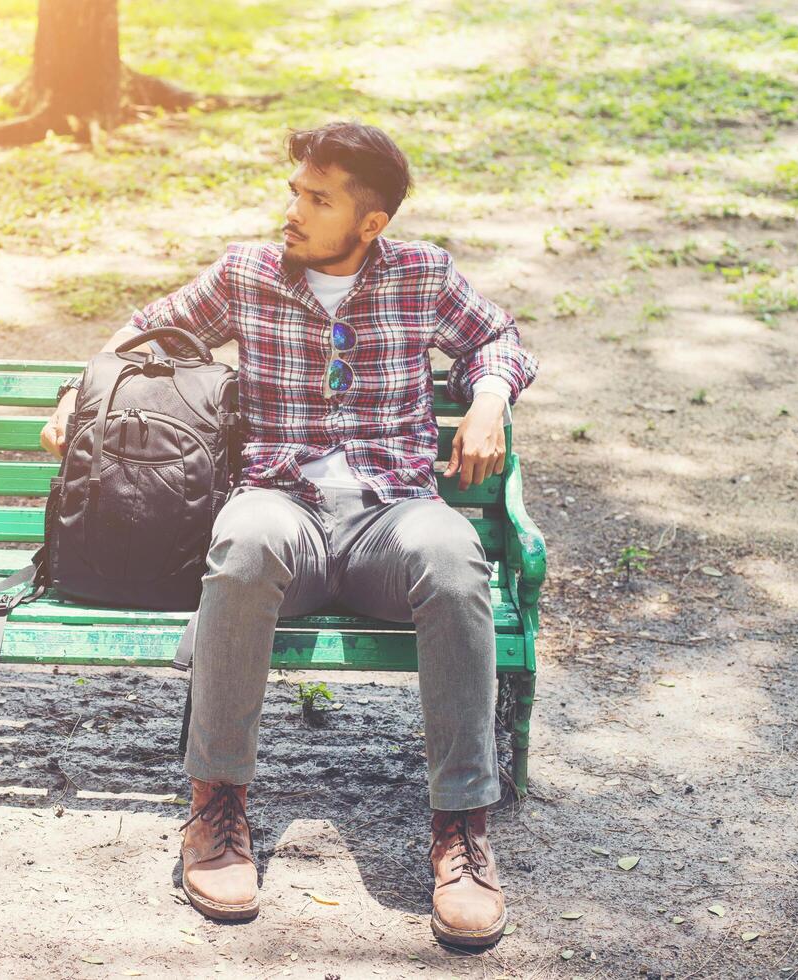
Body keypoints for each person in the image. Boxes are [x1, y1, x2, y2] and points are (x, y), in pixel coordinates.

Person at [39, 120, 539, 948]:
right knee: (243, 541)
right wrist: (74, 394)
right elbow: (144, 331)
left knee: (454, 559)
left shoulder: (423, 274)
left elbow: (498, 338)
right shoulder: (248, 273)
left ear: (370, 223)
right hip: (283, 507)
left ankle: (460, 828)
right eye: (294, 191)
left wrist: (486, 398)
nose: (293, 211)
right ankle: (217, 809)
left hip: (393, 516)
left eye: (317, 199)